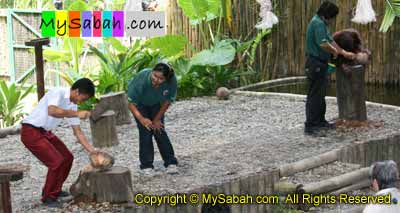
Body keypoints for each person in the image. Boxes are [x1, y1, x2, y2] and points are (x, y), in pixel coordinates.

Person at [20, 78, 96, 207]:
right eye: (83, 98)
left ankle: (54, 189)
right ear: (77, 91)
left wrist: (93, 151)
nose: (82, 102)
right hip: (30, 131)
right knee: (56, 161)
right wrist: (77, 113)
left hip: (44, 132)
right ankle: (48, 197)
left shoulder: (73, 106)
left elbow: (78, 132)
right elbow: (53, 111)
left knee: (67, 158)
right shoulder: (58, 92)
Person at [304, 1, 356, 135]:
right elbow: (323, 44)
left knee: (320, 94)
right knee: (315, 95)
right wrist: (334, 51)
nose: (333, 20)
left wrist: (343, 52)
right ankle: (311, 125)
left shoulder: (322, 24)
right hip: (315, 63)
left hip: (321, 63)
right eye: (333, 17)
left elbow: (330, 40)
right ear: (328, 15)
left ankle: (320, 121)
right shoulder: (318, 24)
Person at [127, 62, 178, 175]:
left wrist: (157, 119)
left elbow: (168, 101)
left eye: (160, 79)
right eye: (154, 76)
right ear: (152, 72)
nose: (156, 80)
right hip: (140, 104)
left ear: (167, 79)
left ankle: (171, 162)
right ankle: (146, 166)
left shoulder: (172, 81)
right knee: (145, 131)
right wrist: (142, 119)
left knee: (159, 129)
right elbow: (130, 103)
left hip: (156, 103)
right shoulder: (141, 78)